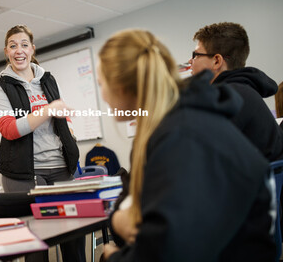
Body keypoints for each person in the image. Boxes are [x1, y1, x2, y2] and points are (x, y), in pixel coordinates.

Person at [98, 29, 274, 261]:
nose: (103, 96)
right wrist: (121, 221)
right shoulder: (161, 128)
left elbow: (167, 249)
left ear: (121, 87)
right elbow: (132, 209)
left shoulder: (180, 135)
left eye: (101, 84)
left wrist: (113, 255)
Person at [0, 25, 84, 262]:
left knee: (73, 239)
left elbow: (62, 116)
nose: (18, 50)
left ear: (32, 49)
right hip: (22, 175)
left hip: (60, 168)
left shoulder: (49, 80)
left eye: (24, 45)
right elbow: (10, 130)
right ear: (6, 52)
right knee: (35, 246)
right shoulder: (1, 87)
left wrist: (70, 135)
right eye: (13, 46)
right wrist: (48, 109)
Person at [189, 22, 283, 161]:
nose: (191, 61)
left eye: (196, 55)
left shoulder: (230, 97)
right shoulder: (243, 91)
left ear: (216, 61)